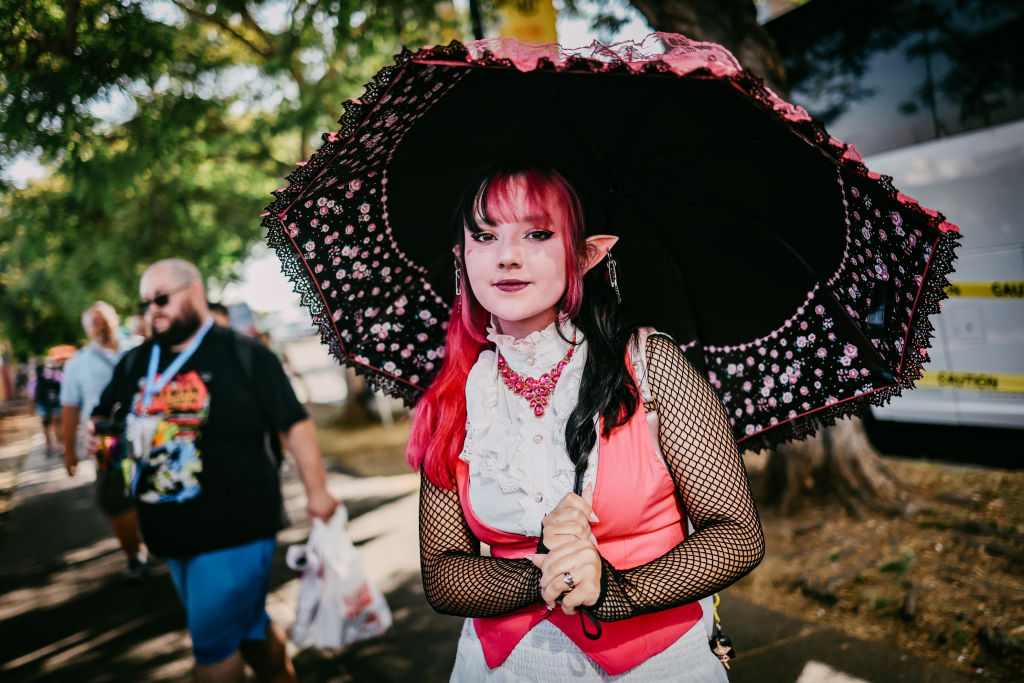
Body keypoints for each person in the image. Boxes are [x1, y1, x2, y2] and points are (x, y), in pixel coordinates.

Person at [407, 162, 765, 680]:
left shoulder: (649, 364)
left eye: (537, 233)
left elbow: (736, 535)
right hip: (502, 669)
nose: (507, 256)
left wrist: (613, 589)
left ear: (586, 254)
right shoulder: (455, 397)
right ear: (462, 259)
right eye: (485, 236)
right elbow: (443, 576)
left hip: (659, 665)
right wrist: (543, 573)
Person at [91, 258, 338, 683]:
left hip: (236, 528)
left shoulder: (245, 355)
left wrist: (318, 492)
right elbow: (105, 424)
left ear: (195, 292)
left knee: (212, 646)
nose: (153, 309)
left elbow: (293, 424)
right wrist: (98, 442)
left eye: (162, 298)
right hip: (168, 531)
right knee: (247, 627)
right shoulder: (135, 363)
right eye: (146, 301)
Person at [61, 301, 148, 581]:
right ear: (87, 330)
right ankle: (135, 556)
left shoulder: (141, 348)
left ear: (115, 320)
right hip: (105, 439)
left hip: (150, 431)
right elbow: (70, 409)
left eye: (105, 321)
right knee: (113, 496)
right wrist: (68, 452)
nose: (102, 328)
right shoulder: (78, 364)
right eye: (94, 324)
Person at [34, 355, 64, 456]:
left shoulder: (38, 373)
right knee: (57, 425)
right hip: (55, 402)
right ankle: (61, 446)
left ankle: (48, 447)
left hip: (43, 403)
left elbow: (33, 390)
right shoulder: (58, 373)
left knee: (46, 426)